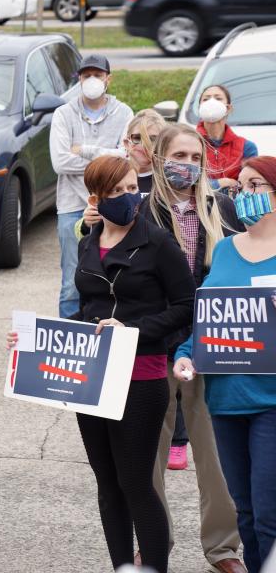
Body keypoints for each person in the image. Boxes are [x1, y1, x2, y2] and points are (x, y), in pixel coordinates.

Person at [12, 155, 195, 573]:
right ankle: (121, 566)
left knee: (135, 483)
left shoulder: (158, 242)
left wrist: (132, 329)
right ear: (95, 197)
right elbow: (86, 311)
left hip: (140, 377)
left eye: (133, 188)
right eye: (117, 192)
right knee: (108, 484)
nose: (129, 197)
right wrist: (33, 339)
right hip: (90, 377)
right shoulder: (87, 241)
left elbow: (186, 307)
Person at [130, 125, 245, 573]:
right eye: (180, 154)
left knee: (215, 456)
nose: (189, 165)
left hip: (212, 348)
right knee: (148, 452)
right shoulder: (140, 210)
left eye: (196, 157)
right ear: (159, 158)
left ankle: (224, 548)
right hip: (154, 345)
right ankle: (153, 543)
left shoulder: (224, 208)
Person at [174, 156, 276, 573]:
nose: (243, 195)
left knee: (269, 514)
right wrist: (185, 356)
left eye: (255, 186)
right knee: (246, 513)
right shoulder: (225, 249)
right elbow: (210, 319)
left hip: (271, 401)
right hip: (226, 399)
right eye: (239, 187)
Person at [49, 54, 133, 319]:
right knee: (72, 282)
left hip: (113, 204)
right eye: (87, 76)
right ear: (79, 79)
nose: (92, 81)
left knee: (115, 277)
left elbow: (127, 156)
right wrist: (109, 159)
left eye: (98, 75)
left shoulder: (124, 113)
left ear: (108, 78)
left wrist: (85, 150)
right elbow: (60, 162)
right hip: (73, 206)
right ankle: (69, 336)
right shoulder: (63, 114)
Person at [195, 84, 259, 190]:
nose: (211, 102)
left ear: (228, 108)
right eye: (206, 99)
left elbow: (250, 184)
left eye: (218, 98)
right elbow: (185, 181)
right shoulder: (189, 143)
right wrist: (220, 183)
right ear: (200, 108)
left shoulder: (247, 147)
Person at [123, 109, 167, 197]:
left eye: (152, 139)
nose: (144, 144)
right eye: (137, 138)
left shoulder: (169, 181)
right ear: (127, 143)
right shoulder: (113, 176)